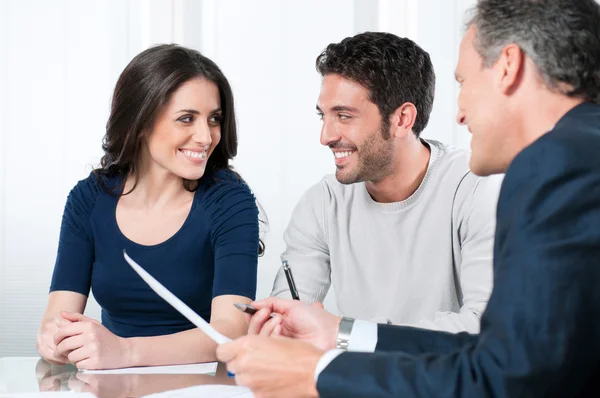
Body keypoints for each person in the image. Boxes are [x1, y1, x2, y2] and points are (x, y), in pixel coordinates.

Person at [216, 0, 600, 396]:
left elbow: (502, 378)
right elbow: (504, 356)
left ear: (508, 65)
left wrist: (319, 374)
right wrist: (338, 332)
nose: (459, 114)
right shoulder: (578, 154)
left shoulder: (556, 165)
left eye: (464, 82)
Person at [36, 44, 263, 370]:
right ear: (141, 122)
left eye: (214, 119)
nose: (205, 136)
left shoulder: (230, 201)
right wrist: (53, 340)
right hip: (110, 382)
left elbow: (231, 330)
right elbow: (55, 318)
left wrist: (124, 352)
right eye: (187, 119)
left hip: (202, 385)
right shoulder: (88, 199)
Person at [271, 32, 502, 333]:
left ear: (402, 119)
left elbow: (486, 323)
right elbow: (287, 321)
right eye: (324, 117)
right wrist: (278, 326)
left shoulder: (475, 188)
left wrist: (344, 334)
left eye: (344, 116)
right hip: (357, 377)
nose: (325, 136)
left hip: (442, 378)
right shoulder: (324, 203)